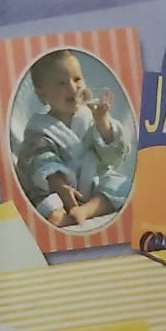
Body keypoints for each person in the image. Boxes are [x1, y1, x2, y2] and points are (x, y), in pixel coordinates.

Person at [16, 48, 131, 228]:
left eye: (77, 79)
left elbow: (113, 157)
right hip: (57, 187)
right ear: (42, 95)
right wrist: (60, 186)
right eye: (61, 83)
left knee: (122, 185)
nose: (72, 87)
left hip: (92, 182)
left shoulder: (92, 116)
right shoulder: (39, 128)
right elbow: (41, 159)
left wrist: (102, 123)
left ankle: (87, 210)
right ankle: (61, 215)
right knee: (43, 200)